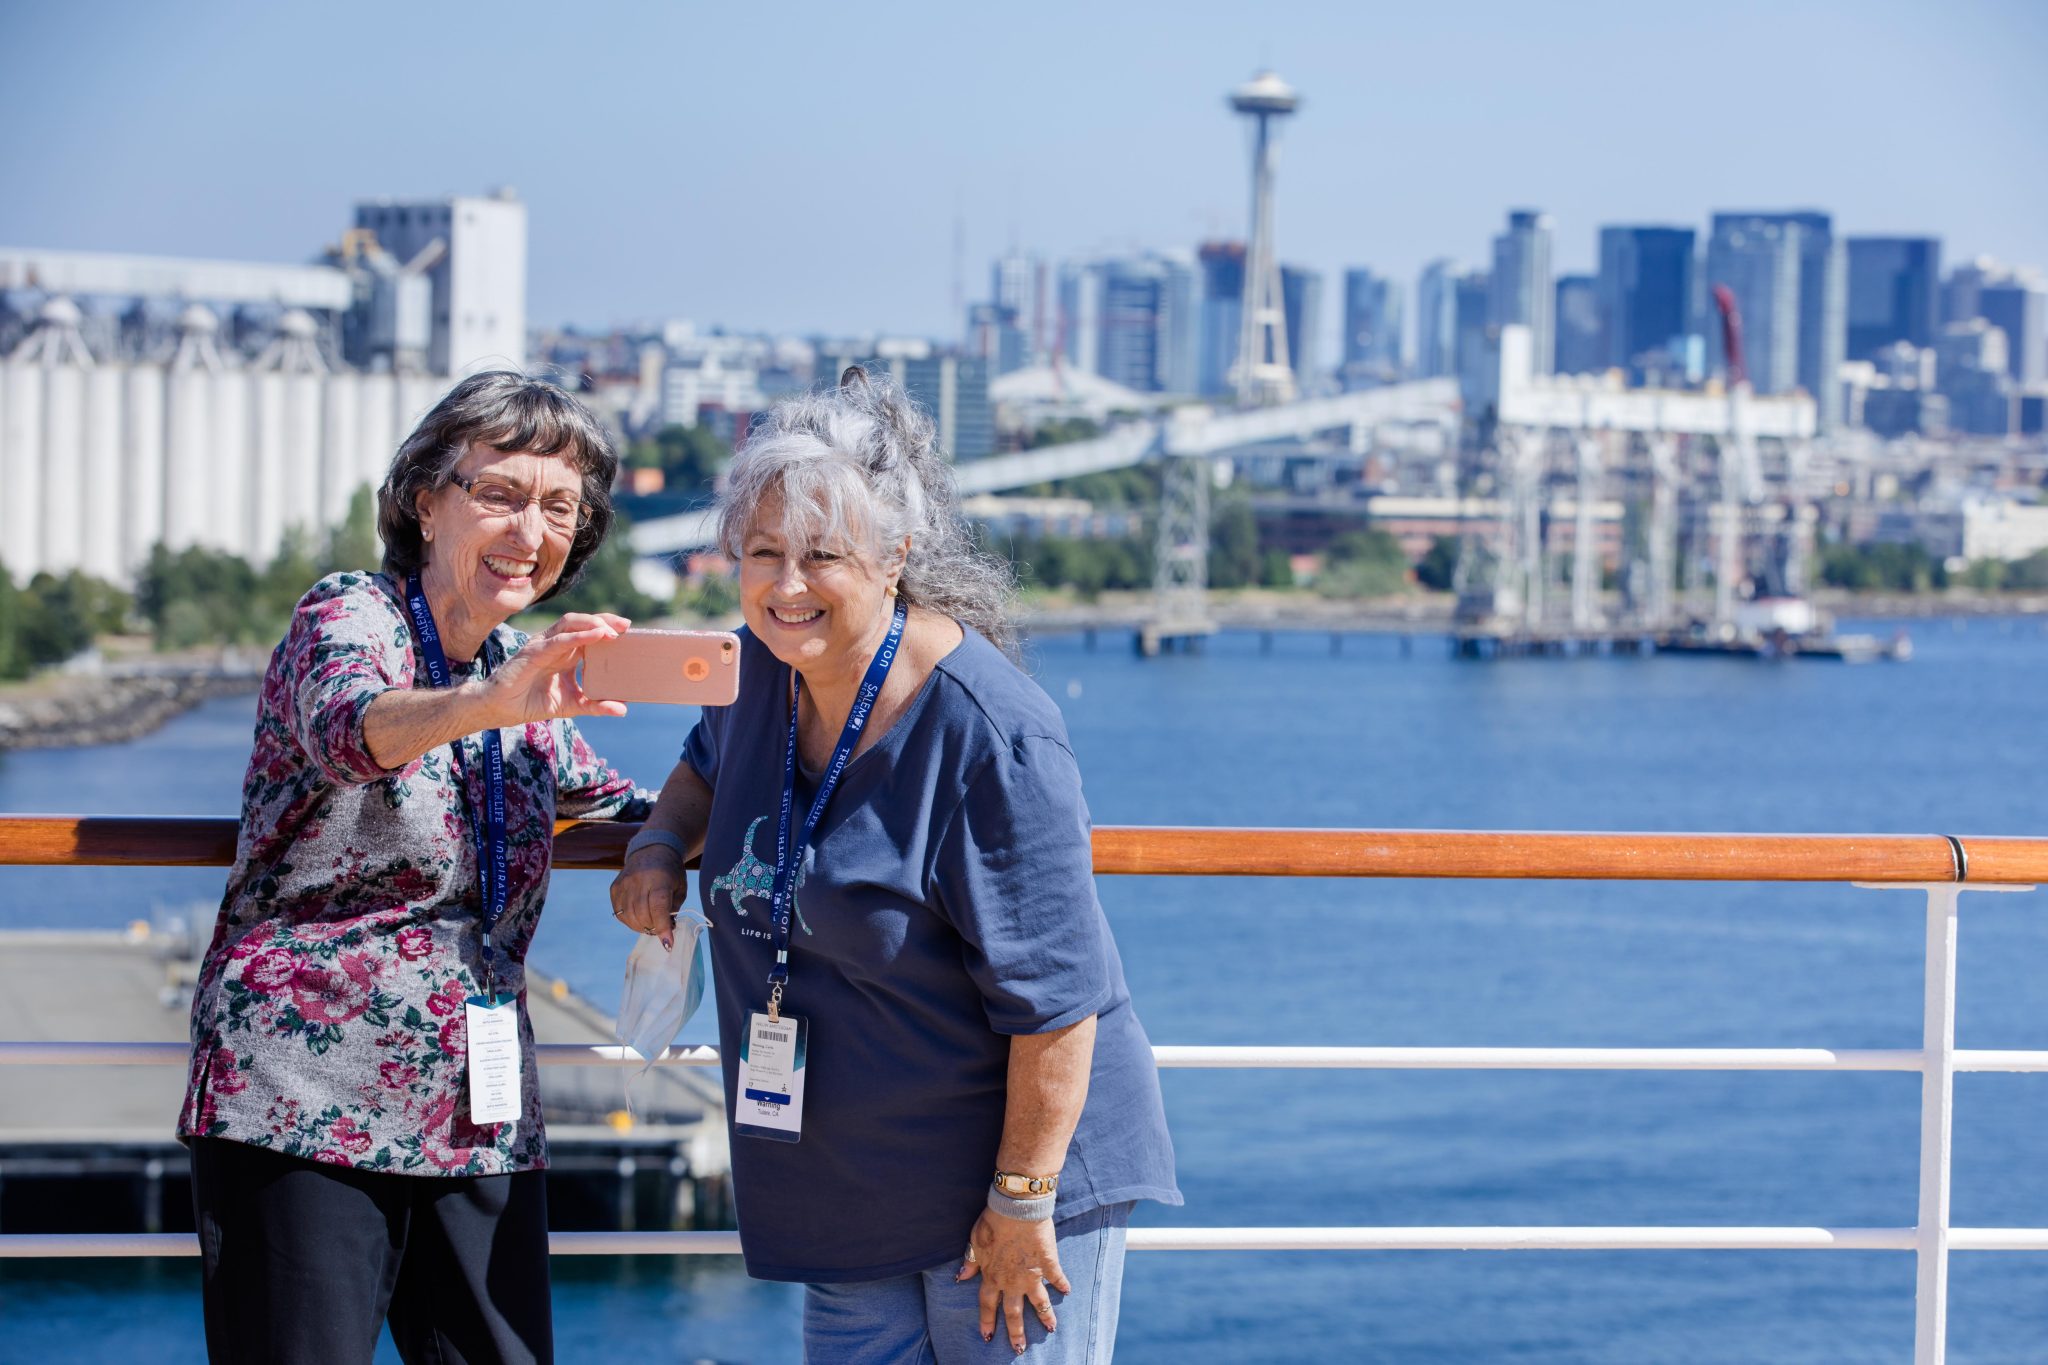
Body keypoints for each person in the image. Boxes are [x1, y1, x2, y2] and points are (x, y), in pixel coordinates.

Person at [610, 370, 1179, 1362]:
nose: (786, 588)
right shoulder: (756, 673)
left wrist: (1019, 1201)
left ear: (895, 558)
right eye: (762, 554)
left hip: (1001, 1185)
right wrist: (658, 844)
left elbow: (1057, 1009)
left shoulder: (989, 735)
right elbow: (704, 768)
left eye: (822, 555)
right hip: (843, 1189)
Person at [177, 370, 653, 1365]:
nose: (531, 529)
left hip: (475, 1109)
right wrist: (502, 701)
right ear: (424, 502)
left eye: (560, 507)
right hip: (302, 1098)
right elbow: (355, 730)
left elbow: (628, 807)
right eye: (500, 494)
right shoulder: (351, 618)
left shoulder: (516, 676)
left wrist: (787, 755)